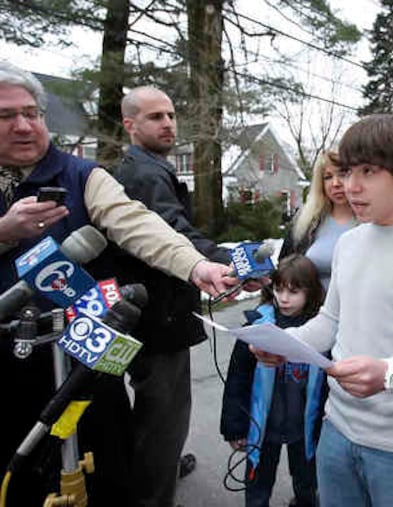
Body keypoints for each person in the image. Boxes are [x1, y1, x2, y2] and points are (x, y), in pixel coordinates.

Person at [0, 61, 234, 507]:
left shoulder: (82, 175)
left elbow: (140, 224)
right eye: (6, 116)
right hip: (10, 364)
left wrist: (195, 265)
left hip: (81, 358)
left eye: (32, 113)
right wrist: (6, 231)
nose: (24, 125)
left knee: (107, 470)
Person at [256, 114, 393, 506]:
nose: (350, 186)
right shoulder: (349, 244)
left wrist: (391, 374)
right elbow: (331, 322)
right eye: (348, 171)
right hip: (334, 430)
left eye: (368, 171)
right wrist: (283, 343)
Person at [107, 86, 230, 507]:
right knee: (164, 416)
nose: (168, 124)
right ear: (130, 124)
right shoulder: (143, 173)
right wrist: (223, 261)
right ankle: (154, 493)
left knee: (150, 414)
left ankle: (157, 469)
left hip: (142, 311)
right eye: (156, 117)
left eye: (172, 115)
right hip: (158, 317)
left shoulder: (145, 168)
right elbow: (172, 231)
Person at [222, 254, 325, 507]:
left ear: (310, 292)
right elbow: (238, 378)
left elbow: (327, 387)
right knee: (258, 483)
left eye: (294, 291)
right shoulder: (257, 326)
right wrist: (235, 426)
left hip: (305, 429)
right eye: (279, 289)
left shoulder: (321, 331)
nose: (284, 298)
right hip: (263, 428)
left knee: (307, 483)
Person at [279, 150, 355, 289]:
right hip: (313, 309)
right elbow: (283, 272)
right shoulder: (306, 224)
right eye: (328, 177)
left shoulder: (374, 222)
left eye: (342, 174)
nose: (335, 183)